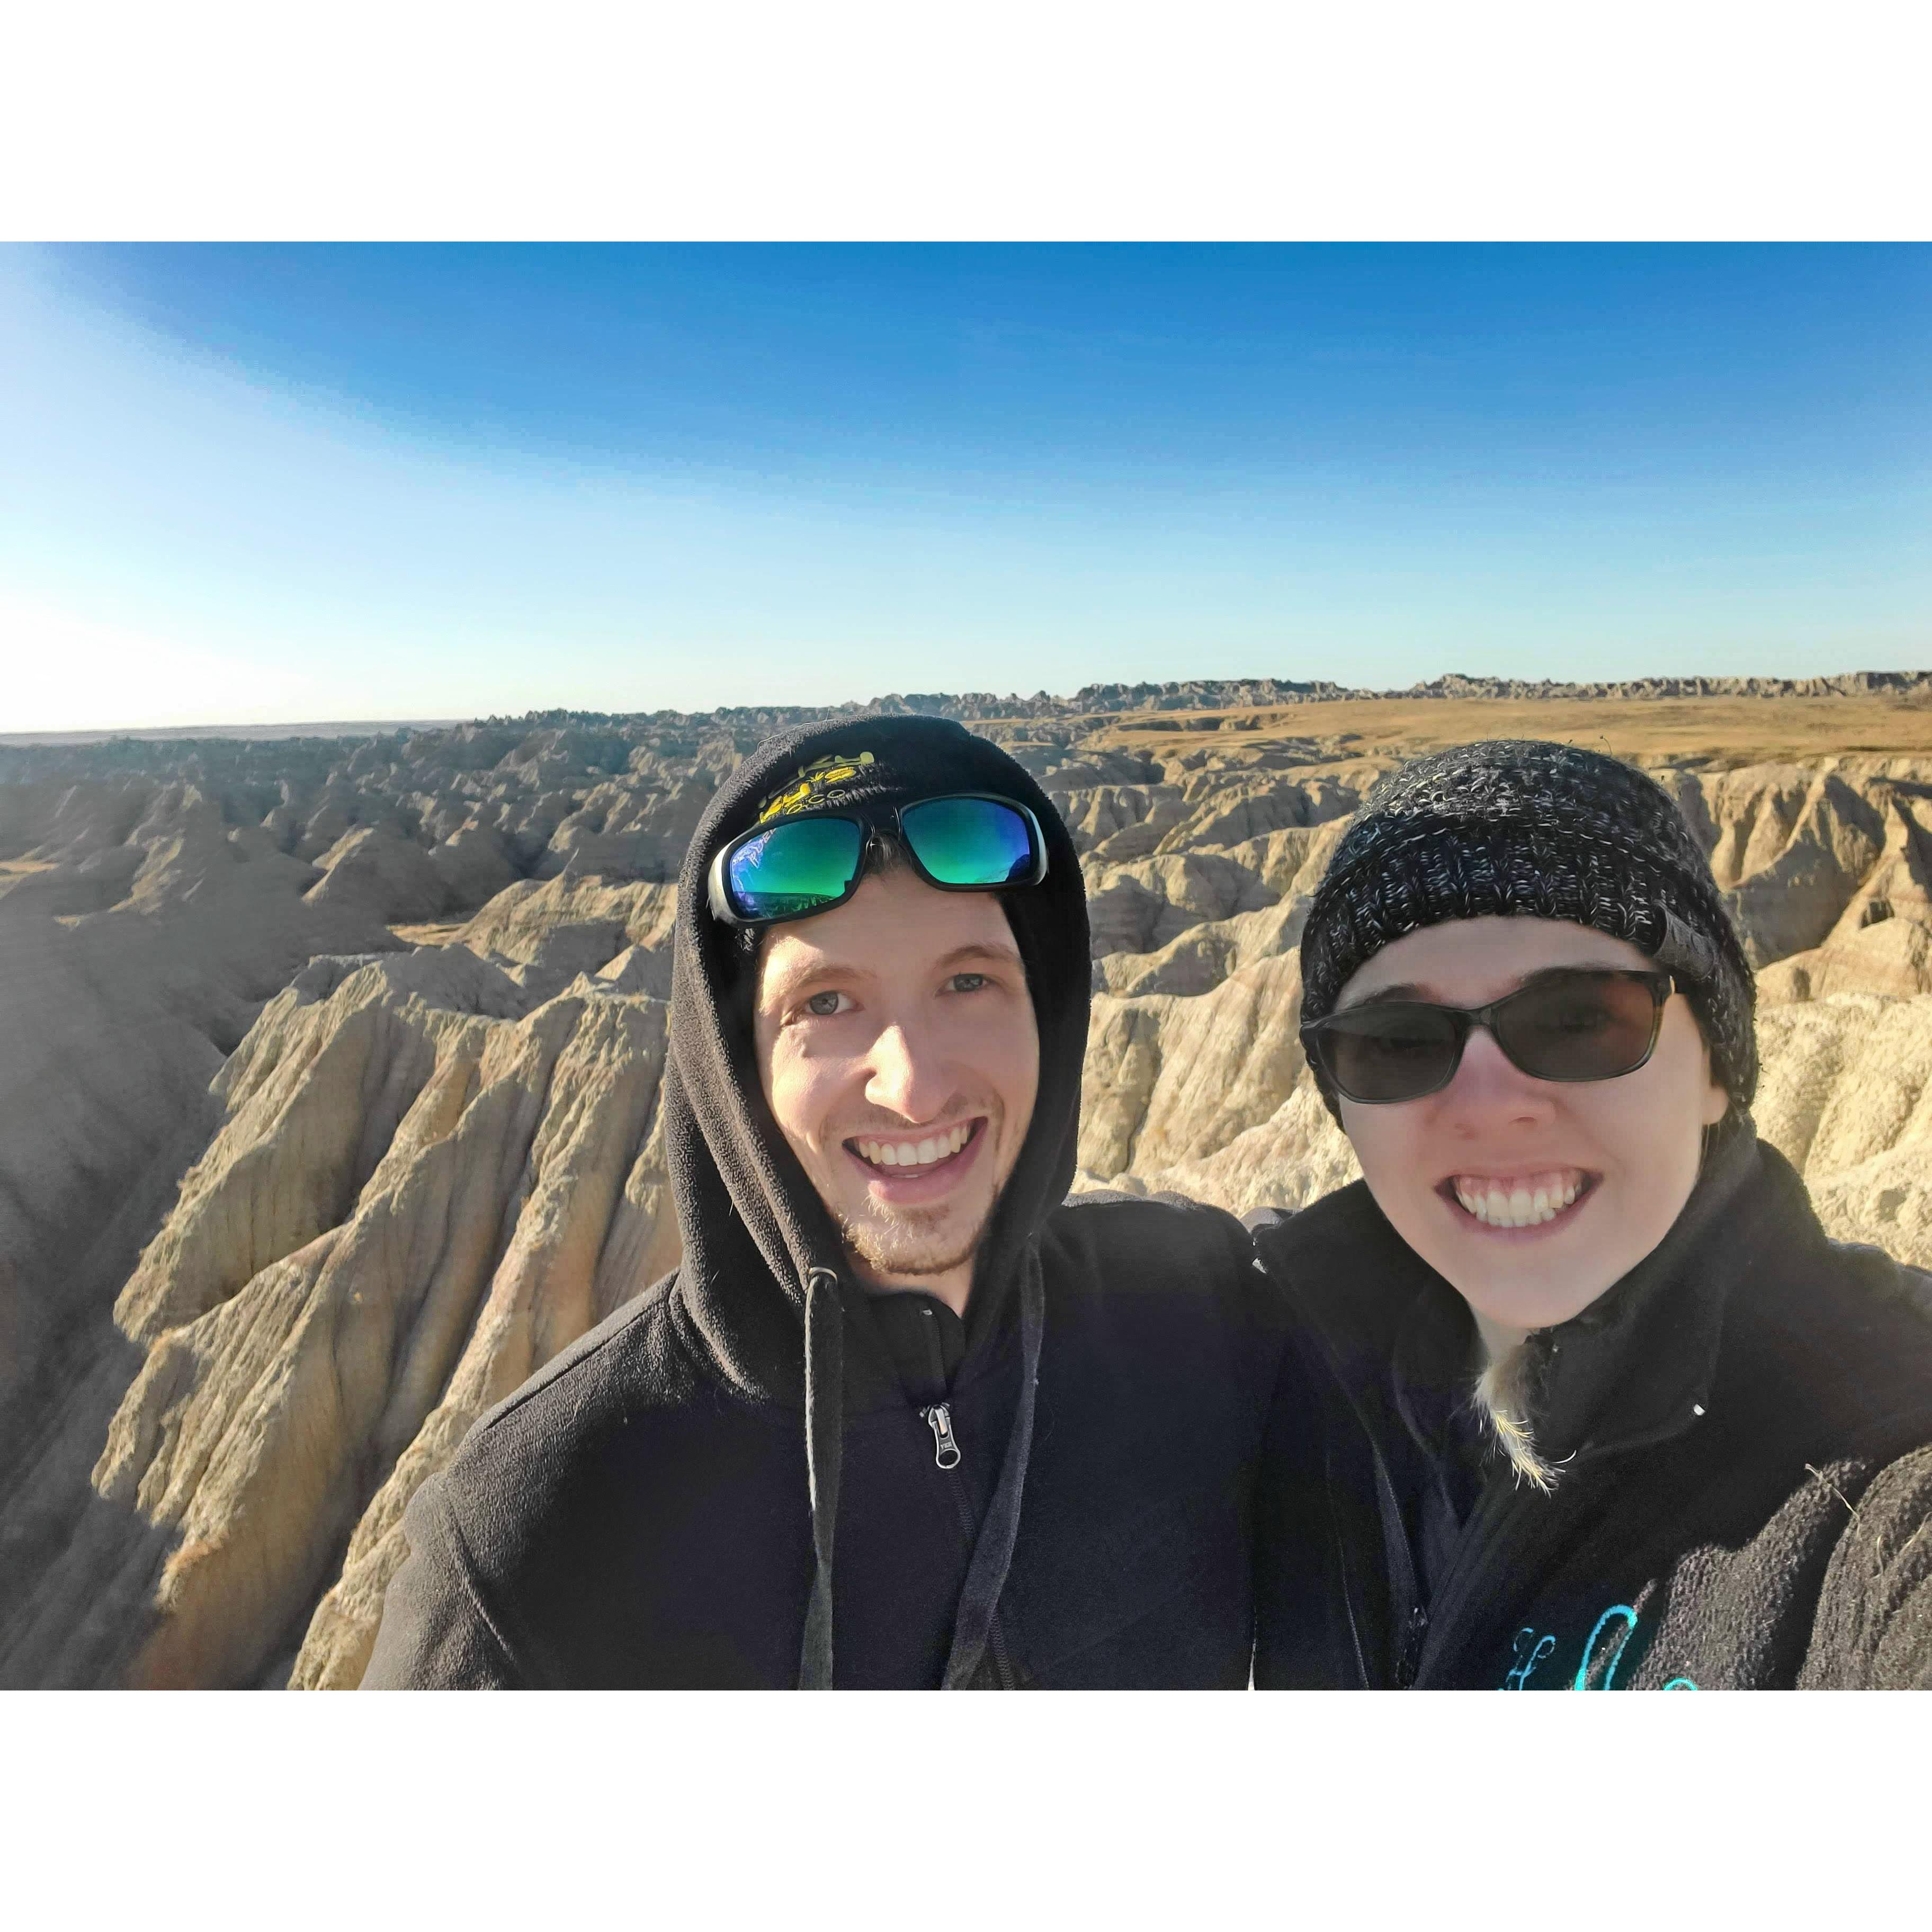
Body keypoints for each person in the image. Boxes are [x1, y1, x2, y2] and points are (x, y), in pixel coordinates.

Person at [364, 715, 1294, 1687]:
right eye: (826, 1004)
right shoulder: (532, 1541)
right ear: (738, 1063)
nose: (914, 1087)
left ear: (1049, 1013)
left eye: (969, 981)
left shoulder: (1198, 1317)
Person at [1251, 739, 1932, 1690]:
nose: (1491, 1106)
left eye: (1578, 1019)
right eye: (1398, 1042)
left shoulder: (1881, 1460)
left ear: (1717, 1073)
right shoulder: (1273, 1369)